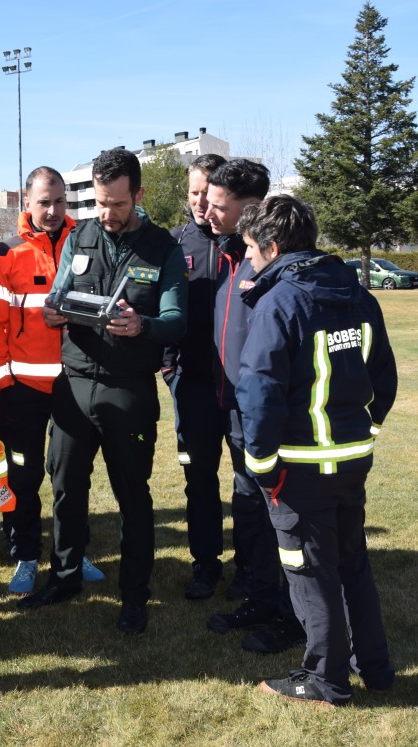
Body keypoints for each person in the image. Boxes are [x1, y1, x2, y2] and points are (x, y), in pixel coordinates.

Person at [18, 148, 187, 635]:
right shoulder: (81, 237)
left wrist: (144, 324)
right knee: (67, 488)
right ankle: (65, 577)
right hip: (73, 385)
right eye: (100, 202)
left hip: (127, 391)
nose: (107, 214)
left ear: (138, 194)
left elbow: (177, 320)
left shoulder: (162, 247)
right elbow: (59, 294)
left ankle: (134, 595)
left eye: (116, 203)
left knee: (132, 496)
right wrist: (53, 312)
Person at [236, 195, 396, 705]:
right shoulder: (358, 295)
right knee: (351, 563)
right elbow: (384, 378)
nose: (249, 262)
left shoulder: (280, 303)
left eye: (252, 252)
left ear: (273, 246)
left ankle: (325, 679)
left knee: (309, 572)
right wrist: (363, 429)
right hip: (350, 461)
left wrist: (262, 468)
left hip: (300, 470)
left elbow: (258, 391)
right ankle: (374, 667)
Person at [0, 166, 106, 594]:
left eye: (59, 202)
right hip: (22, 392)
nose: (52, 210)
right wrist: (2, 381)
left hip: (76, 385)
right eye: (43, 202)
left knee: (73, 476)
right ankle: (25, 556)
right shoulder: (4, 253)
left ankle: (74, 551)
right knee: (23, 478)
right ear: (26, 204)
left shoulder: (87, 243)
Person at [205, 159, 305, 655]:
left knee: (277, 514)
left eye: (220, 206)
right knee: (248, 509)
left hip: (265, 413)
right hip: (235, 408)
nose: (208, 211)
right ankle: (260, 595)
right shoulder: (230, 255)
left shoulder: (269, 265)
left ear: (251, 210)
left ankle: (291, 613)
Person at [162, 154, 230, 600]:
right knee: (199, 479)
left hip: (244, 388)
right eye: (193, 192)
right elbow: (160, 306)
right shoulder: (173, 244)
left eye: (208, 192)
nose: (200, 202)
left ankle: (255, 565)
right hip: (194, 385)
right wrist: (170, 370)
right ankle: (206, 563)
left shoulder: (249, 243)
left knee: (251, 480)